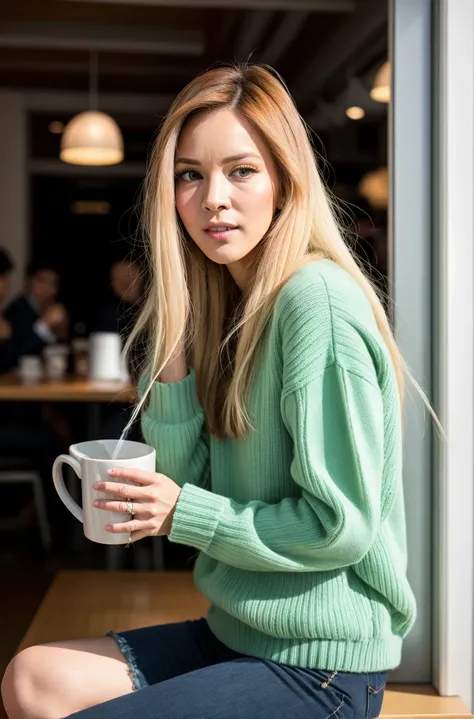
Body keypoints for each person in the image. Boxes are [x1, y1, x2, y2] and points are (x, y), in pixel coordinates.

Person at [2, 63, 418, 719]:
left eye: (241, 170)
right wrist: (171, 367)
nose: (213, 197)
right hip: (233, 633)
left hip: (322, 667)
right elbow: (191, 482)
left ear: (284, 181)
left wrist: (182, 512)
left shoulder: (316, 301)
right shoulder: (231, 304)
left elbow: (341, 527)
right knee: (31, 678)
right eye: (190, 174)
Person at [3, 260, 69, 364]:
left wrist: (61, 331)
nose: (48, 289)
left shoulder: (48, 309)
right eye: (42, 281)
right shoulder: (17, 311)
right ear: (28, 281)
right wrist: (44, 325)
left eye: (53, 284)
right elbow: (17, 357)